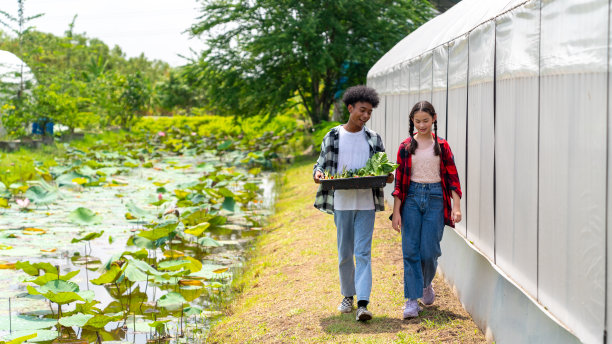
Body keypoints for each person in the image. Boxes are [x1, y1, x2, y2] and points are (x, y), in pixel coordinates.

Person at [313, 85, 393, 322]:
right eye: (362, 110)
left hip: (366, 203)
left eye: (369, 112)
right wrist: (318, 174)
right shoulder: (334, 136)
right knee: (345, 254)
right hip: (342, 202)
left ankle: (363, 304)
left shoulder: (373, 138)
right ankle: (347, 295)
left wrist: (388, 176)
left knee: (364, 253)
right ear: (350, 108)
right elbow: (320, 164)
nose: (365, 116)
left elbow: (383, 168)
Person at [391, 100, 462, 319]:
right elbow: (399, 183)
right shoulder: (405, 147)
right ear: (412, 121)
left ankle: (425, 284)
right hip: (411, 198)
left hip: (435, 199)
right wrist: (397, 212)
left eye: (426, 121)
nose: (421, 125)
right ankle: (412, 300)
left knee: (429, 251)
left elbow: (452, 178)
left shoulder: (442, 146)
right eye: (417, 121)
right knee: (410, 250)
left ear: (434, 119)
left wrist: (456, 207)